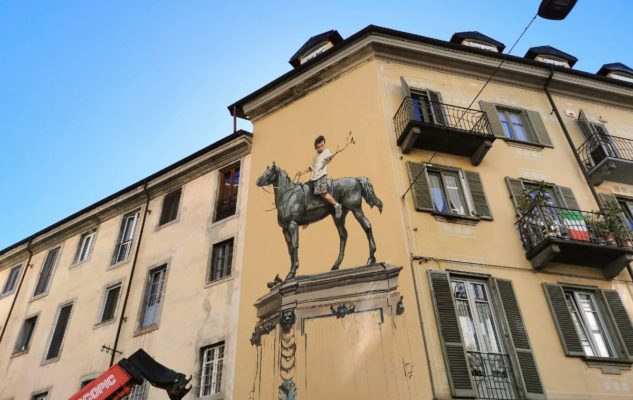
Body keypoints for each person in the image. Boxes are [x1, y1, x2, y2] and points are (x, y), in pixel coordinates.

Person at [295, 135, 342, 218]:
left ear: (323, 144)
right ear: (316, 147)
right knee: (306, 189)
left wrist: (329, 159)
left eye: (321, 146)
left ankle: (337, 205)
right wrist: (302, 172)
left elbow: (329, 159)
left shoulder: (326, 152)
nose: (320, 148)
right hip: (314, 178)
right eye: (318, 147)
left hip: (321, 176)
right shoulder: (315, 156)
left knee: (322, 193)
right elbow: (312, 167)